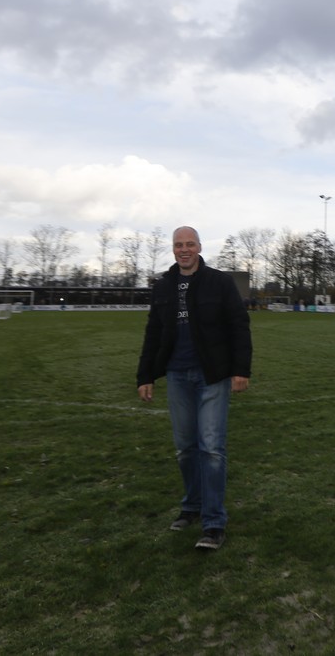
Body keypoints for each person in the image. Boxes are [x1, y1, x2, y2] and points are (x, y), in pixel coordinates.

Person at [137, 226, 252, 550]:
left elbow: (239, 325)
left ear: (199, 247)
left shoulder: (219, 282)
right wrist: (145, 375)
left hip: (212, 374)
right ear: (173, 249)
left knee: (212, 448)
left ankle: (213, 523)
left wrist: (241, 369)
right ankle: (192, 506)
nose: (184, 249)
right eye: (179, 245)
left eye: (190, 244)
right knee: (185, 448)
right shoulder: (163, 286)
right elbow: (153, 332)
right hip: (177, 375)